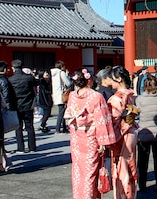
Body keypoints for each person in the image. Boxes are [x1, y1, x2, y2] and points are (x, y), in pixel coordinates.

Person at [64, 67, 117, 199]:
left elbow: (70, 117)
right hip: (91, 139)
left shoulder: (72, 96)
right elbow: (102, 120)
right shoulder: (96, 96)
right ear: (89, 81)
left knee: (78, 171)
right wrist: (104, 142)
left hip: (77, 137)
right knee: (90, 172)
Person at [107, 65, 138, 199]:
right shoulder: (131, 94)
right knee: (130, 167)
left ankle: (123, 196)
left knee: (121, 170)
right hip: (131, 131)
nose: (110, 81)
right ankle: (131, 194)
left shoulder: (117, 98)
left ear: (119, 79)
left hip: (122, 134)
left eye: (112, 79)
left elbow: (113, 118)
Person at [9, 59, 37, 153]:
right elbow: (35, 86)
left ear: (13, 68)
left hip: (16, 105)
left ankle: (20, 147)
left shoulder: (11, 80)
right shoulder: (29, 78)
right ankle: (32, 146)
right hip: (28, 104)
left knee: (18, 127)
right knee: (29, 126)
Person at [50, 61, 72, 134]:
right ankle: (58, 128)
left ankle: (63, 128)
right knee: (61, 112)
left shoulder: (53, 73)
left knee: (61, 111)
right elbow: (68, 83)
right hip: (61, 94)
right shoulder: (61, 73)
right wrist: (67, 75)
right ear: (62, 66)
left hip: (56, 93)